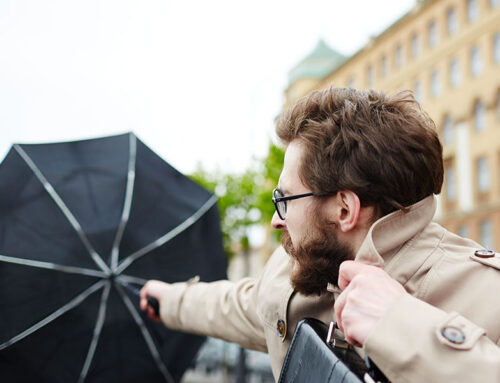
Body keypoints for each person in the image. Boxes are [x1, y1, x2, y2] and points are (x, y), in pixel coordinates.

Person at [141, 87, 500, 382]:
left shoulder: (485, 293)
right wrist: (167, 300)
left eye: (284, 200)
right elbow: (242, 305)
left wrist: (398, 325)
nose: (275, 222)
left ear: (344, 209)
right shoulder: (299, 266)